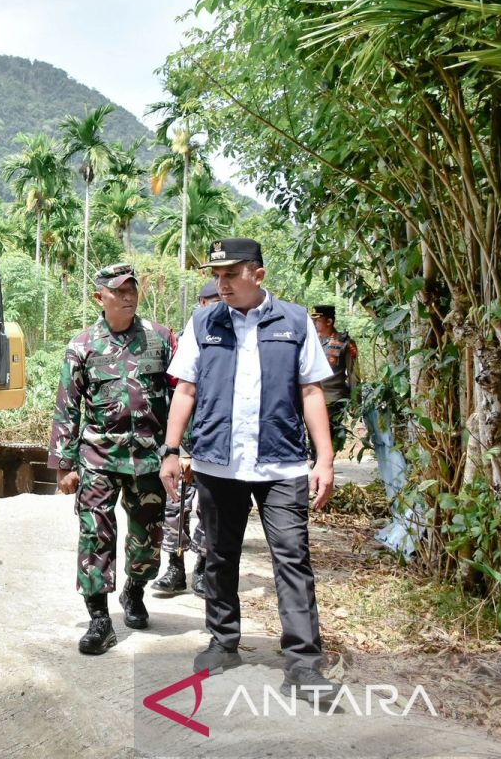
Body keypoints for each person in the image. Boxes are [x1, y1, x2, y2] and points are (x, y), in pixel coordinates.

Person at [158, 238, 343, 703]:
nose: (221, 283)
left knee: (292, 559)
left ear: (257, 275)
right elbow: (185, 391)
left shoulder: (296, 321)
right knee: (220, 555)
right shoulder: (203, 322)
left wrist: (324, 459)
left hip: (281, 464)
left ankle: (303, 664)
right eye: (216, 274)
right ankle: (223, 642)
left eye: (231, 274)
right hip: (219, 464)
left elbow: (311, 393)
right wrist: (171, 450)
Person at [48, 263, 175, 655]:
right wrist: (64, 465)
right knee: (95, 534)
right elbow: (67, 409)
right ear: (99, 297)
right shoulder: (82, 346)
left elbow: (180, 398)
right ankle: (99, 619)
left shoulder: (160, 339)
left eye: (132, 288)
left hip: (149, 459)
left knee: (148, 537)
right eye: (119, 290)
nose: (128, 296)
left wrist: (179, 450)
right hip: (99, 457)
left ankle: (134, 591)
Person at [151, 280, 220, 599]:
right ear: (202, 304)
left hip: (214, 442)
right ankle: (174, 568)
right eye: (210, 301)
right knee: (175, 505)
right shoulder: (186, 340)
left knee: (210, 507)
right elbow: (174, 392)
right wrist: (173, 446)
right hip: (184, 440)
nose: (215, 306)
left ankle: (204, 567)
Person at [309, 305, 358, 458]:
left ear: (329, 321)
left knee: (329, 435)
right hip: (311, 397)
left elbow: (353, 373)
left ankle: (323, 464)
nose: (314, 323)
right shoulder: (310, 341)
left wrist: (355, 401)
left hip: (334, 398)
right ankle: (317, 462)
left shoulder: (345, 343)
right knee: (313, 434)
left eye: (317, 320)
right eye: (313, 320)